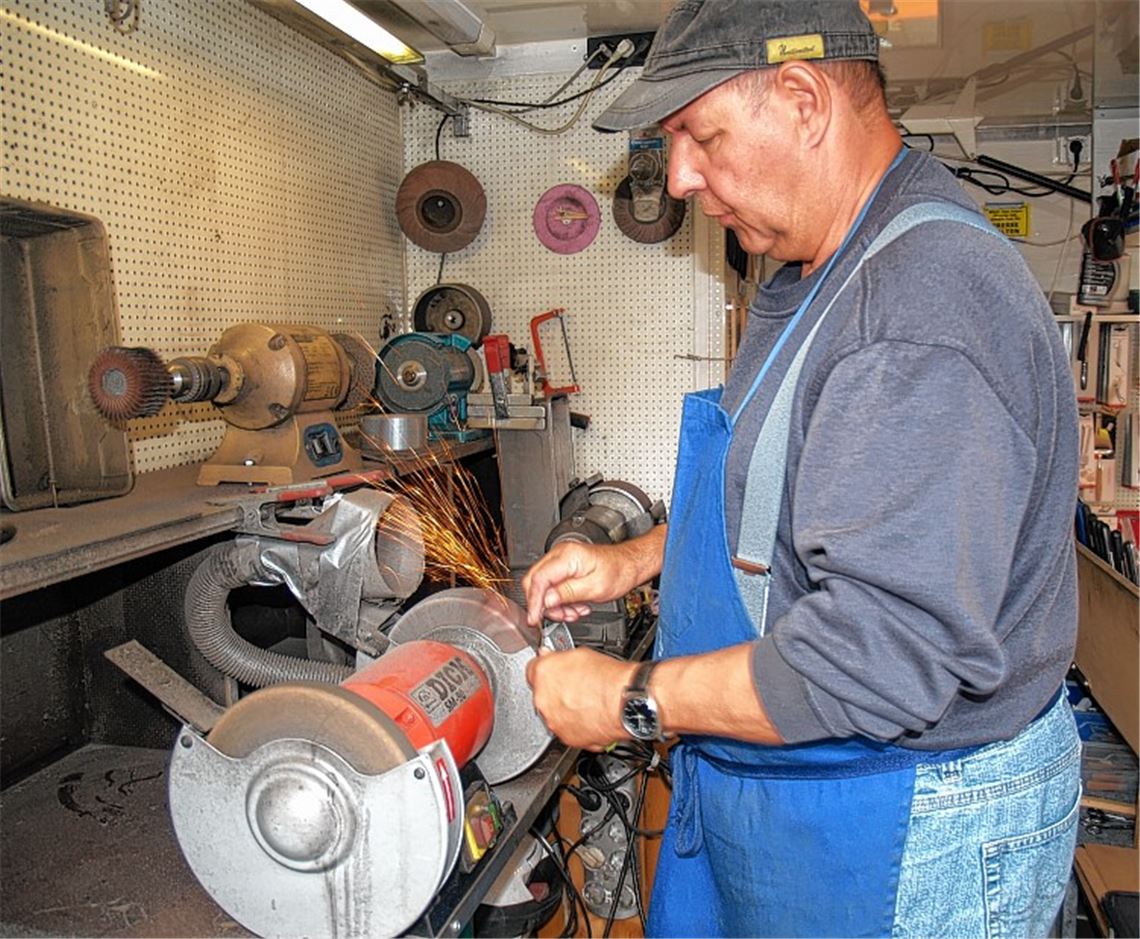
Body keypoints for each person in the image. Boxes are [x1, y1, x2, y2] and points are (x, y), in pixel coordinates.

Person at [523, 1, 1083, 936]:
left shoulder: (918, 305)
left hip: (905, 822)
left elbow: (877, 662)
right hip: (818, 791)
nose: (681, 176)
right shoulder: (820, 270)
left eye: (700, 135)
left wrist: (630, 701)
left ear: (803, 100)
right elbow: (801, 498)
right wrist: (640, 556)